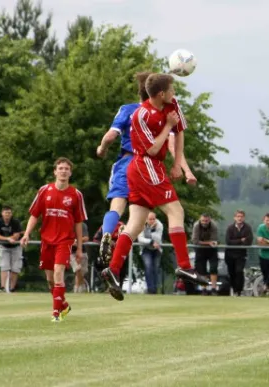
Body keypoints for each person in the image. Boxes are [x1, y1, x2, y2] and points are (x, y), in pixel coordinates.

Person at [101, 73, 209, 301]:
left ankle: (113, 268)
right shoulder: (141, 115)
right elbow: (152, 148)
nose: (175, 94)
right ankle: (185, 266)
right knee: (176, 211)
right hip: (145, 165)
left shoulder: (171, 104)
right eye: (172, 90)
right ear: (161, 94)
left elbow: (179, 132)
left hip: (148, 167)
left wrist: (179, 163)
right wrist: (167, 125)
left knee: (136, 224)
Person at [21, 157, 87, 322]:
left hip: (65, 241)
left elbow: (79, 222)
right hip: (47, 241)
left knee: (59, 273)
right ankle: (63, 305)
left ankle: (56, 314)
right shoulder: (45, 190)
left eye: (66, 168)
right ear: (55, 171)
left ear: (70, 173)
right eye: (60, 168)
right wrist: (26, 233)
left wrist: (79, 247)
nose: (63, 171)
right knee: (50, 279)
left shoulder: (76, 194)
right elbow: (34, 215)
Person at [0, 206, 23, 292]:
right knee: (4, 267)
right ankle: (2, 287)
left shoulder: (15, 222)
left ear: (11, 214)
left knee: (15, 268)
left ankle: (12, 288)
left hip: (16, 247)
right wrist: (7, 239)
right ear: (2, 213)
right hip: (4, 247)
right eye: (6, 213)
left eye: (9, 213)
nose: (7, 215)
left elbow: (17, 235)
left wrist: (12, 238)